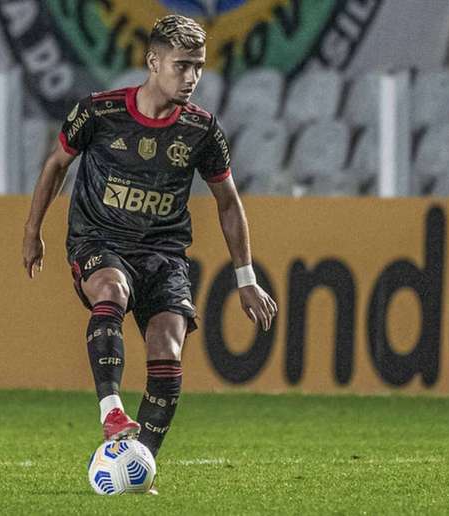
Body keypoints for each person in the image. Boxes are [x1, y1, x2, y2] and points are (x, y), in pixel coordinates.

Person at [22, 14, 277, 461]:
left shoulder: (201, 131)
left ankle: (141, 461)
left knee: (168, 348)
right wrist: (33, 230)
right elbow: (56, 165)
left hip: (163, 253)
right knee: (113, 289)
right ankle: (112, 409)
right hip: (98, 240)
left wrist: (246, 277)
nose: (193, 76)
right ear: (153, 61)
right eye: (182, 65)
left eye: (198, 65)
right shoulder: (99, 112)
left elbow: (229, 202)